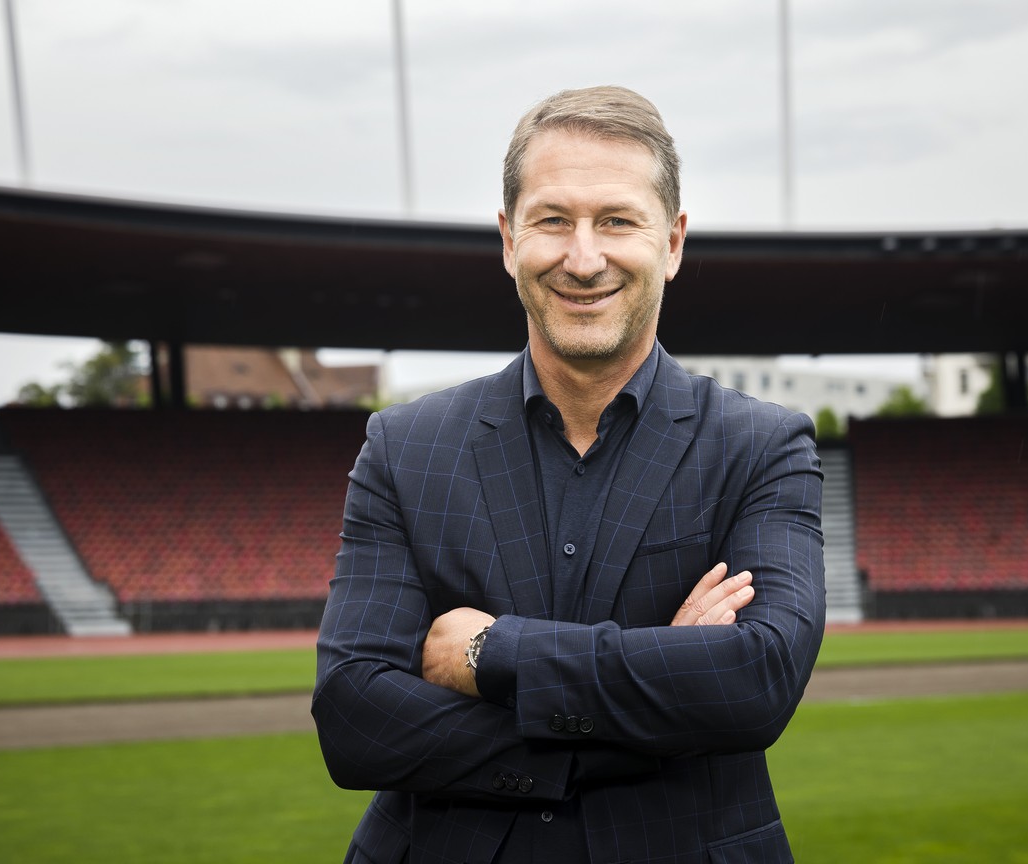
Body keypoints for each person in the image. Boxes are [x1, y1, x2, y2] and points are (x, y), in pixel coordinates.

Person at [313, 84, 825, 864]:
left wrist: (492, 654)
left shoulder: (763, 445)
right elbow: (355, 722)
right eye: (553, 220)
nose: (583, 259)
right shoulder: (403, 445)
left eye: (617, 220)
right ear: (509, 239)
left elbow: (754, 683)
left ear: (674, 241)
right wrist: (659, 711)